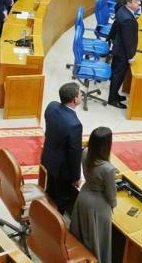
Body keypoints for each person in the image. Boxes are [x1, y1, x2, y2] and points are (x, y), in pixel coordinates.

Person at [69, 127, 117, 262]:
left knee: (82, 236)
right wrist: (113, 205)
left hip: (83, 196)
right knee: (98, 241)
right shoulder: (108, 169)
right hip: (99, 205)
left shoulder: (85, 152)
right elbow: (111, 194)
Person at [41, 82, 83, 214]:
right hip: (62, 169)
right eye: (80, 93)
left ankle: (44, 214)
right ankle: (55, 222)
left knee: (50, 190)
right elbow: (74, 154)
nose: (81, 95)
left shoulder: (52, 106)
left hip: (48, 157)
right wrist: (76, 177)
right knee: (62, 198)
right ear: (75, 99)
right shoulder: (74, 125)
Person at [109, 0, 140, 109]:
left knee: (117, 74)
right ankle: (112, 99)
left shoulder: (122, 10)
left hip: (118, 47)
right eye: (136, 1)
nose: (139, 3)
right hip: (122, 52)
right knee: (118, 75)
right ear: (129, 3)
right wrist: (131, 56)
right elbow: (127, 40)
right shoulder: (128, 19)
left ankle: (115, 94)